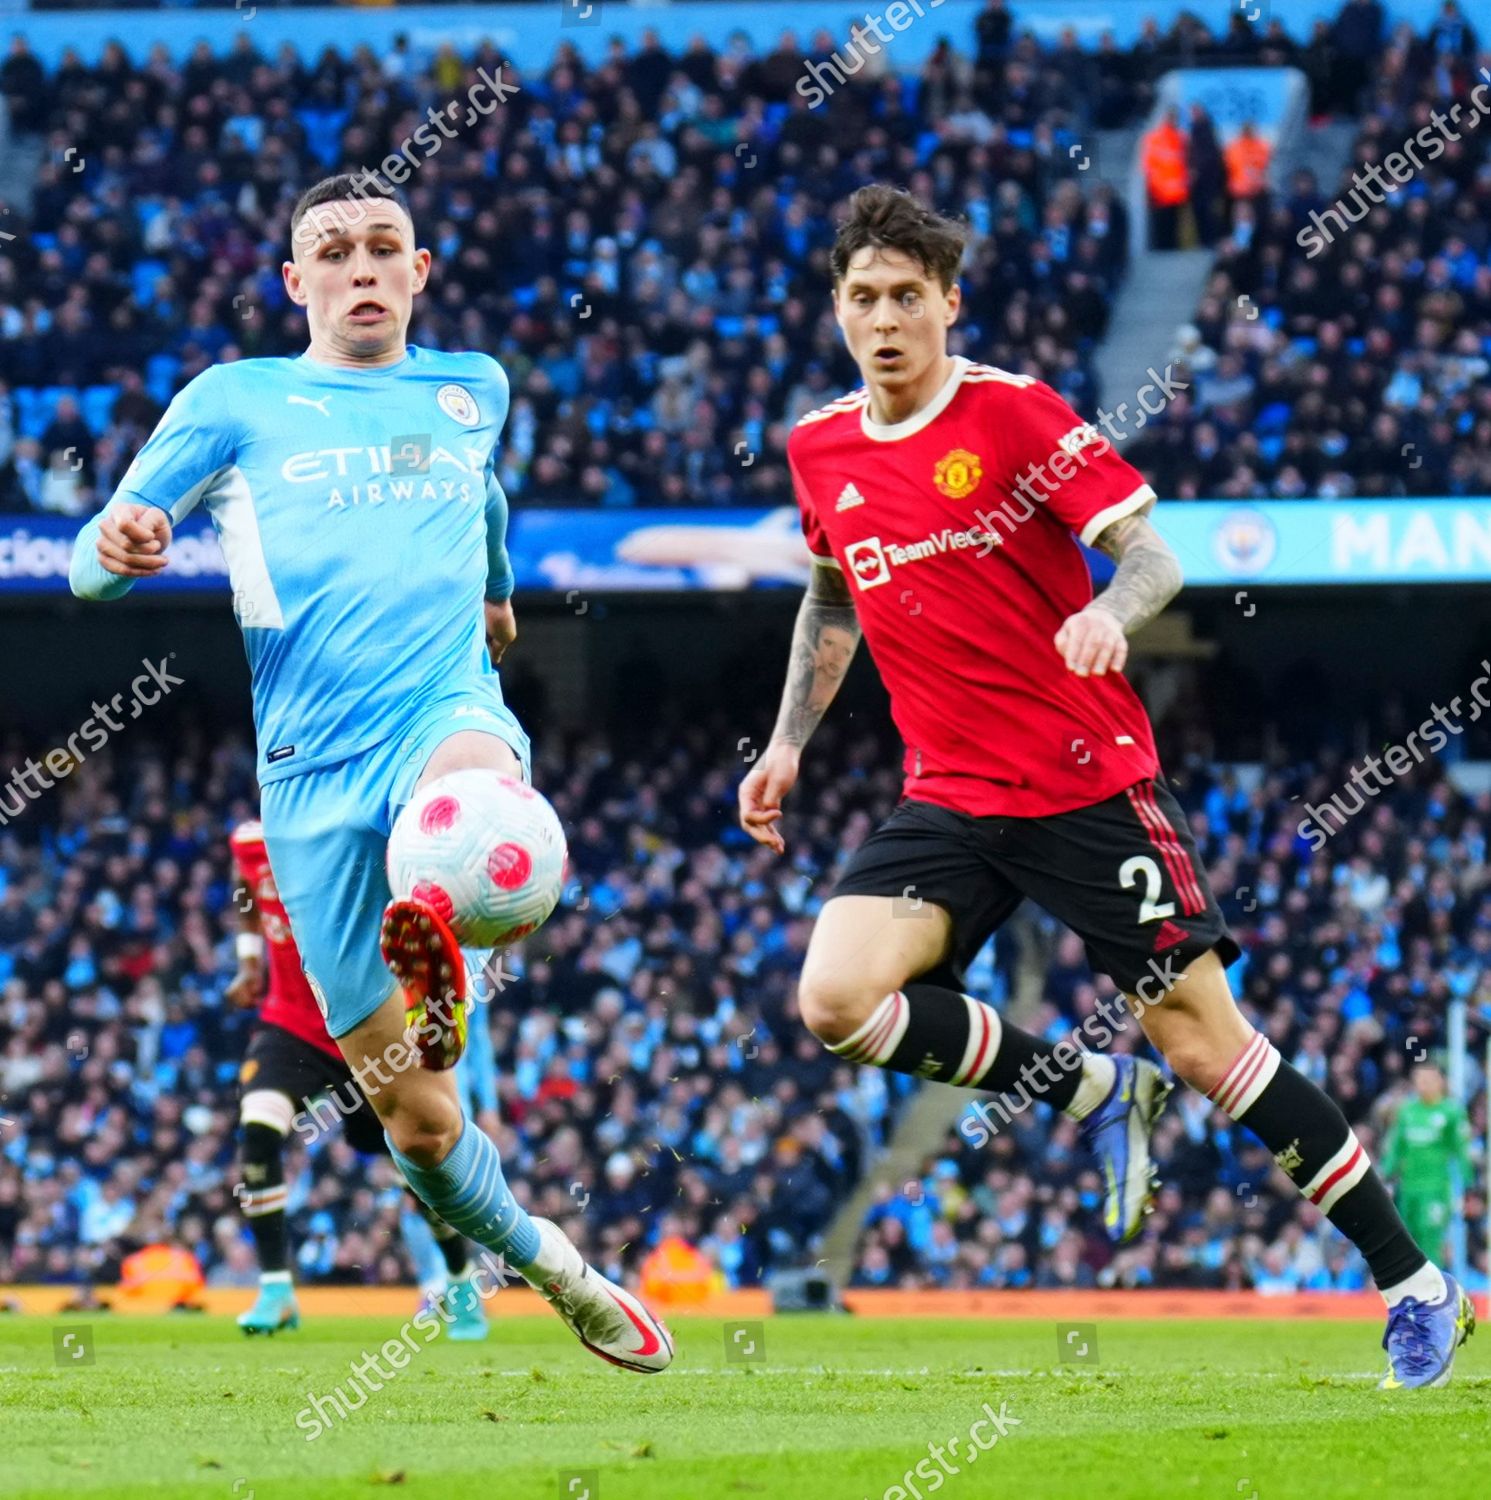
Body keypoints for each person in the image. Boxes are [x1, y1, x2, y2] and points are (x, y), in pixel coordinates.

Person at [737, 183, 1474, 1390]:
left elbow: (1155, 552)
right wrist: (788, 744)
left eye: (907, 298)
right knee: (835, 1000)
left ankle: (1416, 1285)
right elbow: (831, 592)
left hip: (1085, 784)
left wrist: (1104, 612)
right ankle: (1087, 1085)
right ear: (837, 309)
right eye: (863, 298)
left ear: (948, 303)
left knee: (1211, 1050)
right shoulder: (821, 446)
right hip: (950, 796)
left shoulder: (1015, 416)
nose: (885, 319)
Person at [69, 173, 673, 1374]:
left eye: (381, 248)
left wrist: (497, 596)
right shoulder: (233, 401)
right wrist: (118, 544)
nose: (359, 267)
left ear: (418, 273)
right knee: (417, 1124)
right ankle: (554, 1264)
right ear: (295, 283)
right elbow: (94, 566)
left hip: (441, 712)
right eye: (331, 252)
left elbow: (486, 493)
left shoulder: (471, 389)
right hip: (305, 782)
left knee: (480, 800)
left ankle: (448, 915)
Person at [226, 817, 487, 1339]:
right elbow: (245, 893)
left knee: (419, 1164)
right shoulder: (251, 843)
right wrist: (249, 961)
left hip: (366, 1026)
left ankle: (460, 1278)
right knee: (258, 1127)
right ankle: (276, 1288)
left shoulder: (360, 839)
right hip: (292, 1024)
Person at [1382, 1062, 1474, 1268]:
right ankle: (1412, 1290)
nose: (1422, 1084)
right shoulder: (1407, 1111)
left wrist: (1469, 1185)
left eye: (1427, 1079)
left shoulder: (1451, 1112)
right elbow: (1397, 1147)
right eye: (1418, 1080)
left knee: (1430, 1238)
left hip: (1436, 1188)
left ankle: (1434, 1292)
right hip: (1409, 1188)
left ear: (1440, 1081)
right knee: (1408, 1239)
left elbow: (1461, 1151)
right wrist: (1385, 1175)